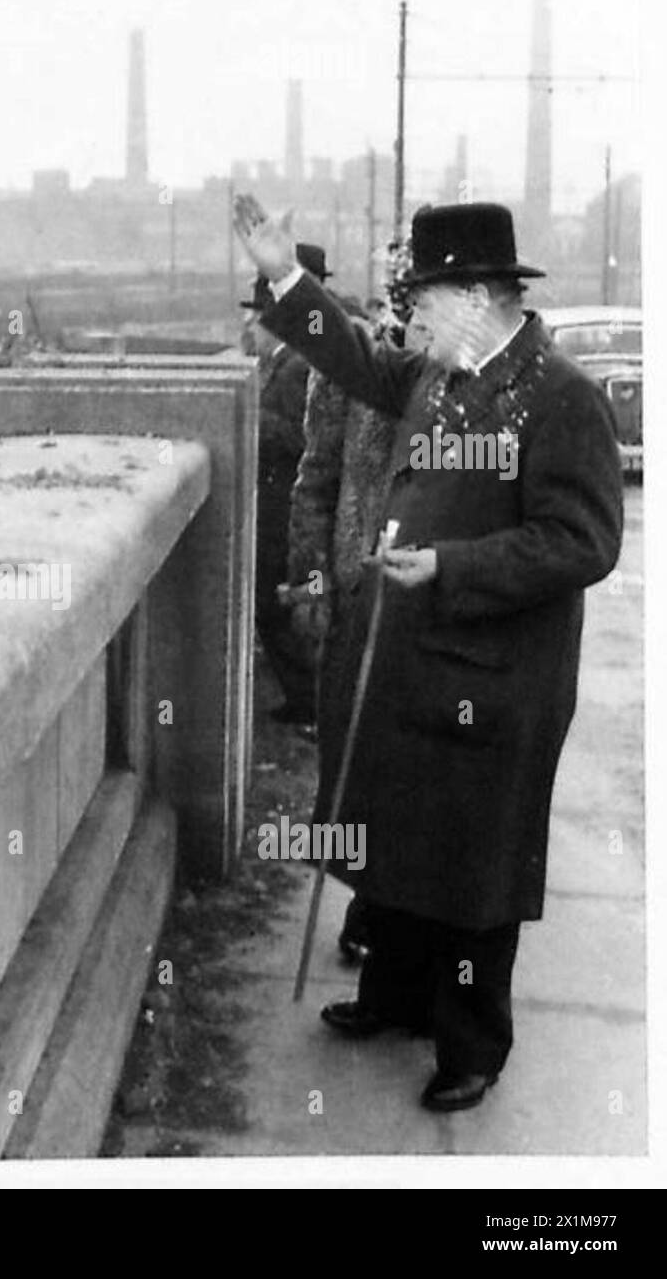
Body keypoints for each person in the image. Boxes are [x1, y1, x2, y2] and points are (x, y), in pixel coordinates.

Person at [233, 196, 623, 1112]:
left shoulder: (561, 398)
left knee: (472, 868)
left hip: (496, 678)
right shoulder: (439, 376)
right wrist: (286, 276)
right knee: (401, 838)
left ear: (481, 295)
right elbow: (354, 357)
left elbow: (583, 541)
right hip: (415, 662)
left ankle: (470, 1047)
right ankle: (395, 999)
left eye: (427, 294)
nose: (410, 312)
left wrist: (451, 566)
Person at [279, 242, 418, 965]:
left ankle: (400, 925)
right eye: (409, 296)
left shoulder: (477, 385)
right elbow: (315, 481)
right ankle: (368, 906)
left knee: (419, 774)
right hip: (358, 600)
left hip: (435, 609)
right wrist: (312, 586)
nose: (416, 311)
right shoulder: (355, 371)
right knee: (357, 765)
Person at [244, 243, 327, 726]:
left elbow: (304, 435)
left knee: (279, 607)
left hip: (284, 508)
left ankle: (309, 703)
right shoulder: (285, 362)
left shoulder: (297, 365)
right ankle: (305, 701)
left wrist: (251, 420)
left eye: (257, 317)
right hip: (278, 505)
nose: (249, 328)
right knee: (276, 607)